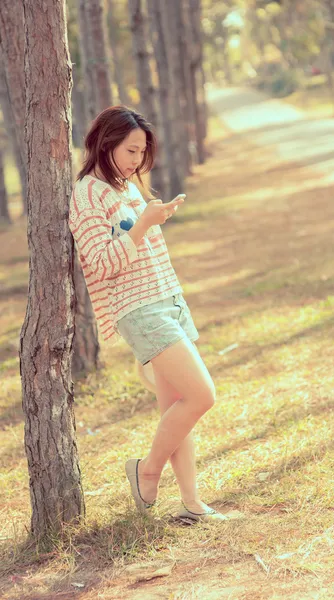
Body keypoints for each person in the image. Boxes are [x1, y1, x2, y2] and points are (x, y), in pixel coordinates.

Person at [68, 106, 227, 523]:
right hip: (138, 309)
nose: (137, 160)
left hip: (167, 298)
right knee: (201, 395)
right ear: (106, 144)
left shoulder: (125, 186)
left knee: (175, 405)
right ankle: (146, 470)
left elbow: (143, 250)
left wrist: (154, 217)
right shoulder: (86, 194)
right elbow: (99, 264)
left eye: (142, 152)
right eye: (131, 150)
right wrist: (142, 225)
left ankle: (192, 504)